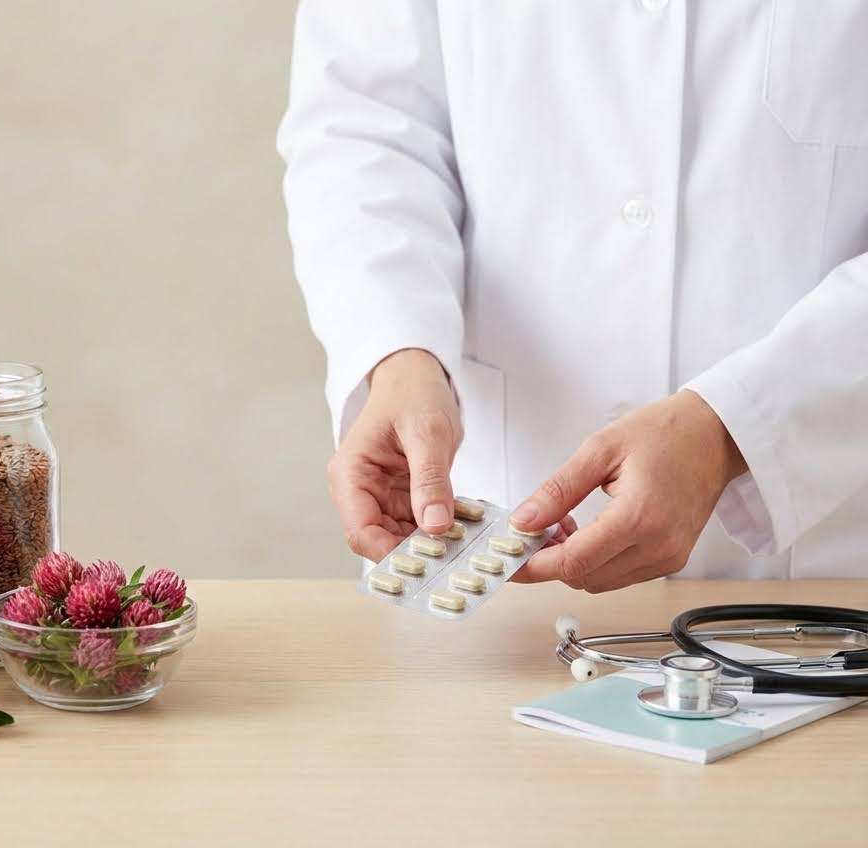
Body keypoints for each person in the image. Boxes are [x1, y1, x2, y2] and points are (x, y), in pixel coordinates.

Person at [277, 1, 868, 591]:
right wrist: (398, 352)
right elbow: (364, 132)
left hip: (821, 565)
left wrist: (739, 428)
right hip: (487, 552)